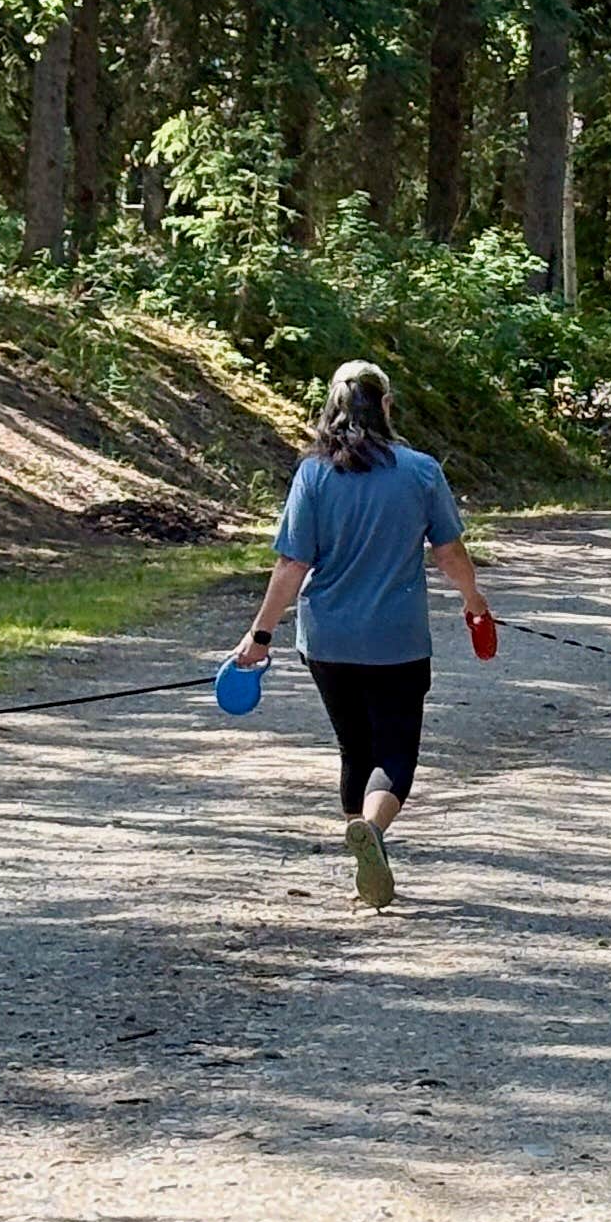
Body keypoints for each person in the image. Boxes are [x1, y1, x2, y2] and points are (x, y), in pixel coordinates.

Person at [233, 359, 491, 909]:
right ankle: (371, 830)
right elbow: (449, 553)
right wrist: (474, 602)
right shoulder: (420, 470)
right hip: (396, 640)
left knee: (354, 747)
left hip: (327, 641)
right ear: (387, 407)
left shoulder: (314, 474)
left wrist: (260, 635)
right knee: (394, 754)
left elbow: (290, 565)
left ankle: (361, 840)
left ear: (331, 407)